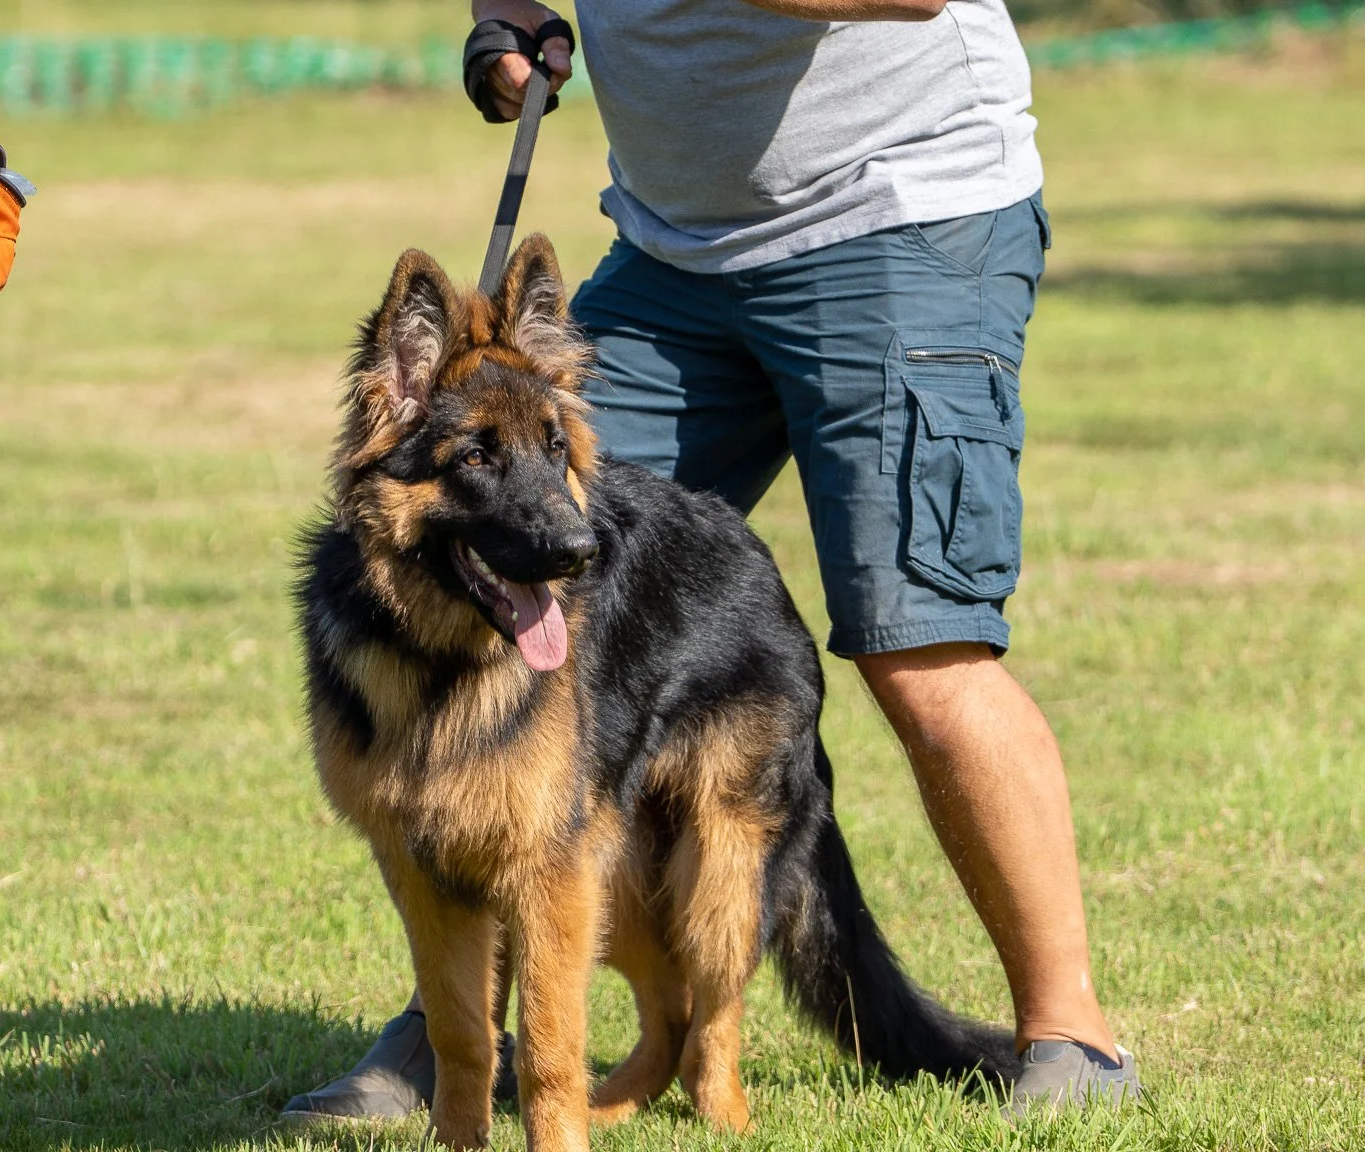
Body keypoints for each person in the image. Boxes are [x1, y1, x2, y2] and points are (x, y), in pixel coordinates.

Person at [283, 0, 1140, 1123]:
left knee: (920, 649)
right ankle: (460, 1038)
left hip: (896, 220)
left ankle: (1070, 1036)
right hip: (673, 249)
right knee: (520, 555)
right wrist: (506, 18)